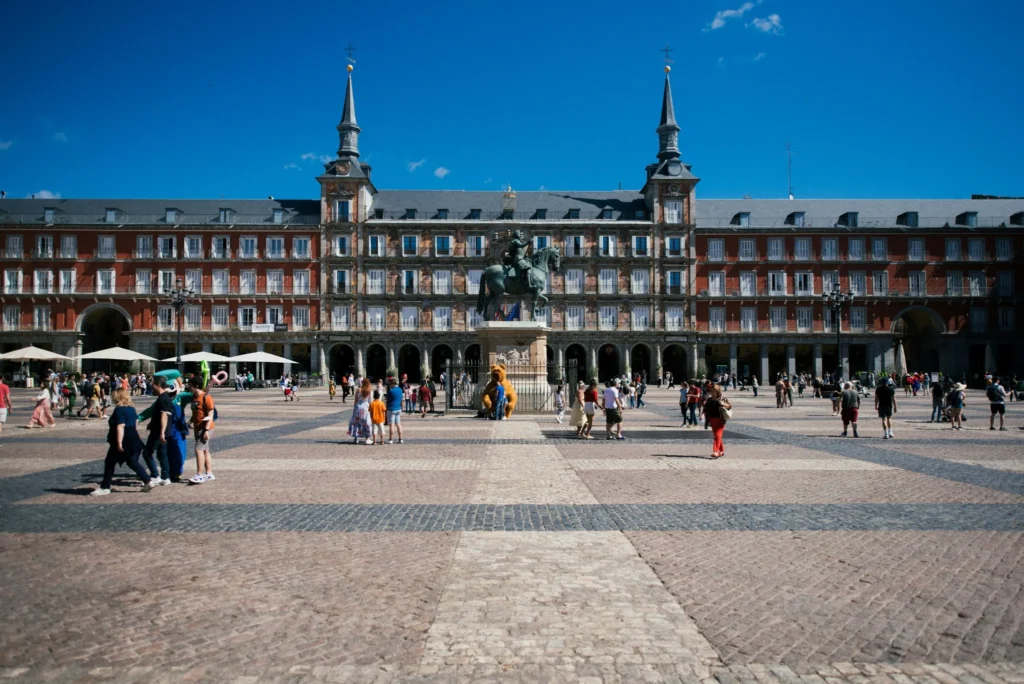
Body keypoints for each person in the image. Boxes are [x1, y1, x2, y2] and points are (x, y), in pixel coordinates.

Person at [91, 388, 159, 495]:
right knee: (132, 461)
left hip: (123, 439)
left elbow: (120, 426)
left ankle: (105, 487)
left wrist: (119, 443)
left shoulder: (119, 409)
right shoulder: (132, 408)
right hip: (134, 438)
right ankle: (148, 481)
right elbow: (135, 423)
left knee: (109, 462)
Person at [142, 376, 174, 485]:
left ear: (158, 385)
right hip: (163, 430)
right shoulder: (166, 397)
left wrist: (161, 433)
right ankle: (165, 477)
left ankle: (155, 475)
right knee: (162, 454)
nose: (152, 386)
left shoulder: (163, 398)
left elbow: (164, 416)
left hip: (159, 432)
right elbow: (160, 414)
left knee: (147, 452)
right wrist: (152, 422)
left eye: (153, 384)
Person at [188, 385, 216, 483]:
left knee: (198, 449)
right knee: (205, 450)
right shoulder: (194, 397)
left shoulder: (206, 397)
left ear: (195, 386)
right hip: (198, 427)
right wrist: (191, 421)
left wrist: (207, 430)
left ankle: (199, 475)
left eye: (190, 385)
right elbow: (196, 412)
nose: (188, 387)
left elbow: (210, 415)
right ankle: (209, 473)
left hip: (205, 428)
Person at [703, 385, 732, 459]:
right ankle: (721, 450)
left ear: (717, 391)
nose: (712, 393)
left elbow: (729, 406)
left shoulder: (722, 398)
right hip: (712, 420)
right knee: (717, 436)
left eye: (713, 391)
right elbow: (705, 408)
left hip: (721, 420)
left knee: (717, 435)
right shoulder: (709, 399)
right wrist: (702, 414)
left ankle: (715, 451)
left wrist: (723, 404)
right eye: (711, 391)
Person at [347, 379, 373, 445]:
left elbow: (356, 400)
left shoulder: (358, 389)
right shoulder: (370, 391)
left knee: (356, 422)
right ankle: (367, 438)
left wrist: (354, 409)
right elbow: (370, 401)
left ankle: (356, 438)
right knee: (366, 422)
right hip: (365, 408)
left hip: (358, 407)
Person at [385, 378, 405, 444]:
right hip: (398, 408)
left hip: (391, 409)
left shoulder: (391, 391)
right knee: (398, 424)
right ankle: (401, 438)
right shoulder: (400, 389)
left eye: (390, 384)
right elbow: (402, 399)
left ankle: (391, 439)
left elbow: (387, 399)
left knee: (392, 425)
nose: (389, 386)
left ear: (392, 384)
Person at [0, 375, 11, 443]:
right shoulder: (5, 386)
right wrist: (10, 407)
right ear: (1, 378)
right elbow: (8, 398)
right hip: (2, 407)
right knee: (0, 424)